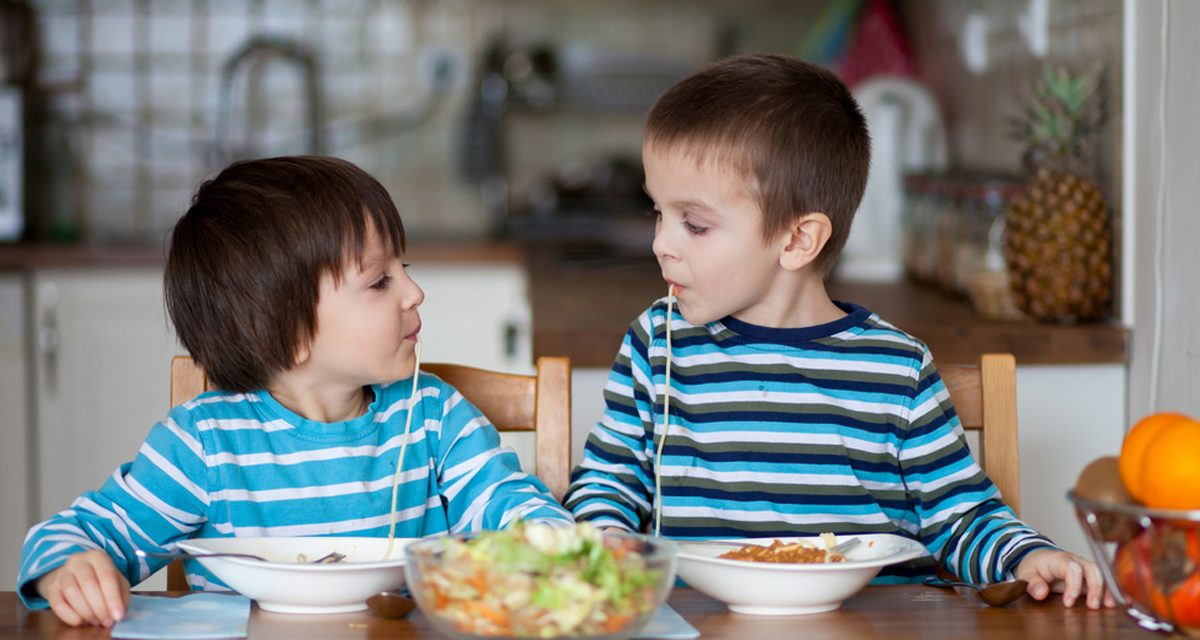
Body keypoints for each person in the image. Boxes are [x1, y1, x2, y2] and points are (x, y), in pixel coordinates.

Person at [563, 54, 1111, 609]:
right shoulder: (657, 344)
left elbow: (962, 517)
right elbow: (608, 482)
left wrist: (1025, 556)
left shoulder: (896, 370)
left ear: (798, 240)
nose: (662, 243)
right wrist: (601, 537)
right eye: (659, 212)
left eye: (695, 224)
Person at [18, 156, 572, 626]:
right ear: (290, 331)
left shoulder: (433, 417)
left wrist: (546, 544)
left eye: (405, 267)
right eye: (380, 281)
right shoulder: (206, 443)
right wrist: (67, 567)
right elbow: (82, 532)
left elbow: (511, 506)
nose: (414, 292)